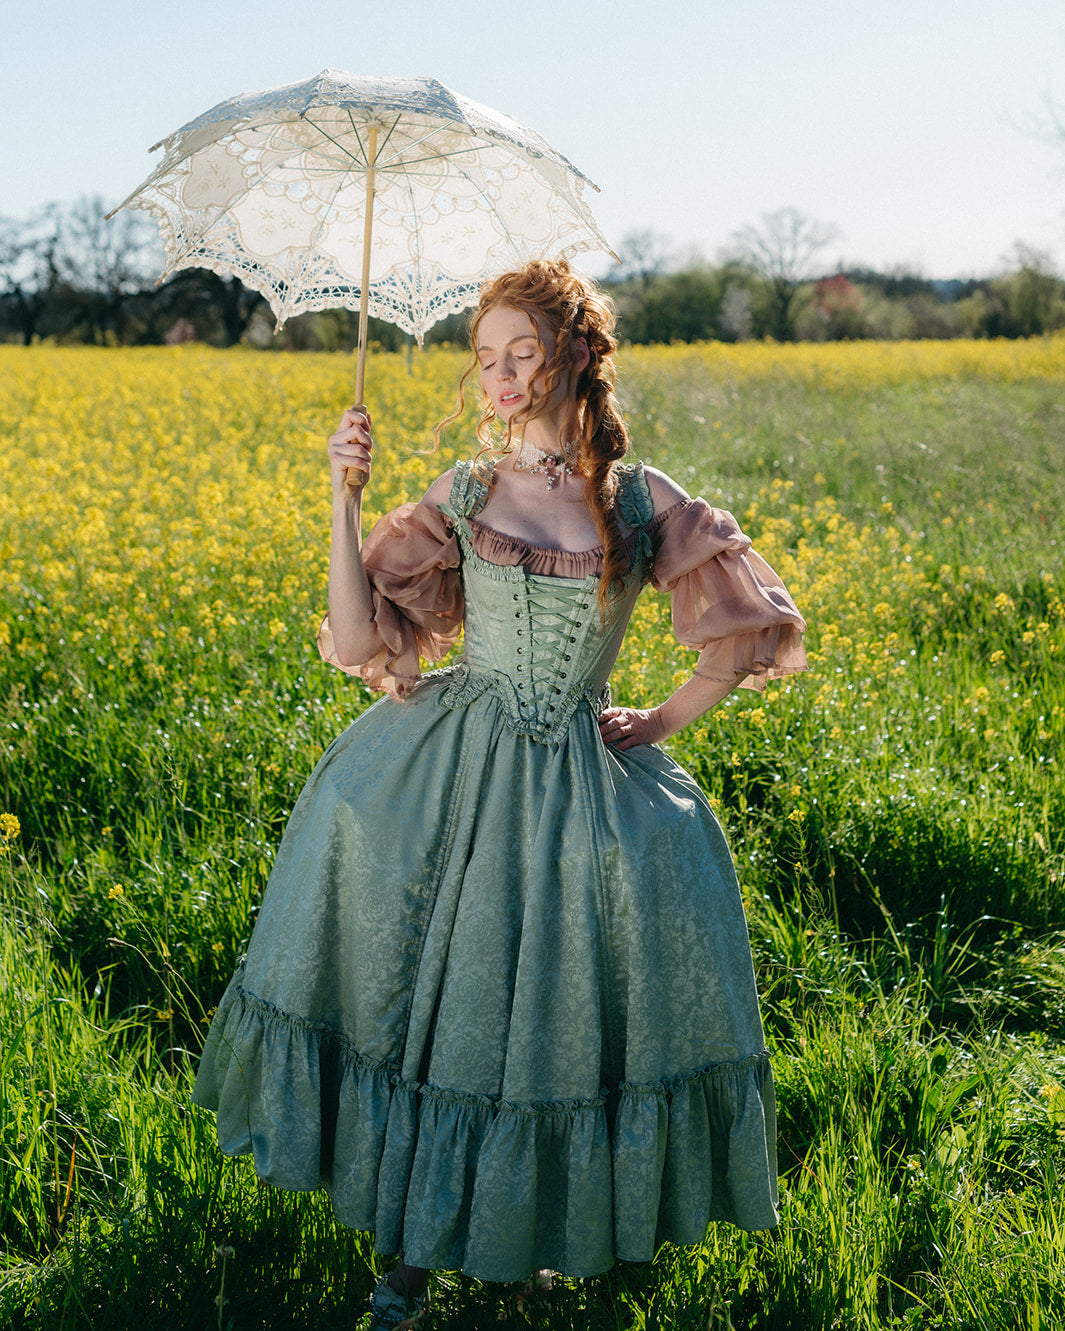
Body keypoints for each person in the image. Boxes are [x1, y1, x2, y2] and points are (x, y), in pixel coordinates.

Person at [193, 258, 807, 1330]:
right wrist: (341, 497)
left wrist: (659, 722)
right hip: (454, 767)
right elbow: (356, 634)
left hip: (576, 776)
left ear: (575, 355)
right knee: (434, 1005)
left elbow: (747, 628)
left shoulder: (641, 498)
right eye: (486, 357)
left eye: (523, 351)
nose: (503, 374)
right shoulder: (469, 490)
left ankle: (527, 1233)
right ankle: (405, 1260)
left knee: (547, 1013)